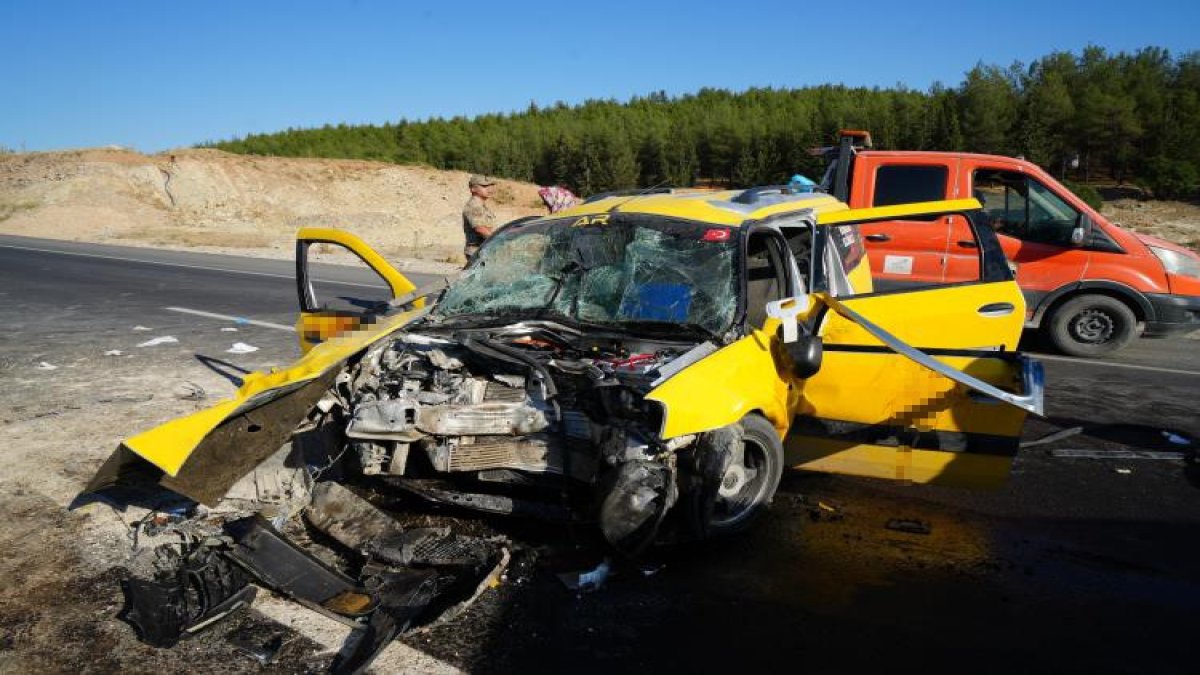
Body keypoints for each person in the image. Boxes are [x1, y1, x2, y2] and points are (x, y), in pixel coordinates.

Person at [462, 174, 497, 261]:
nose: (489, 189)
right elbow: (480, 229)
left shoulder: (481, 206)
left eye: (490, 186)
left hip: (482, 250)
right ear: (473, 188)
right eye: (484, 186)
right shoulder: (474, 206)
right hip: (477, 251)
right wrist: (498, 239)